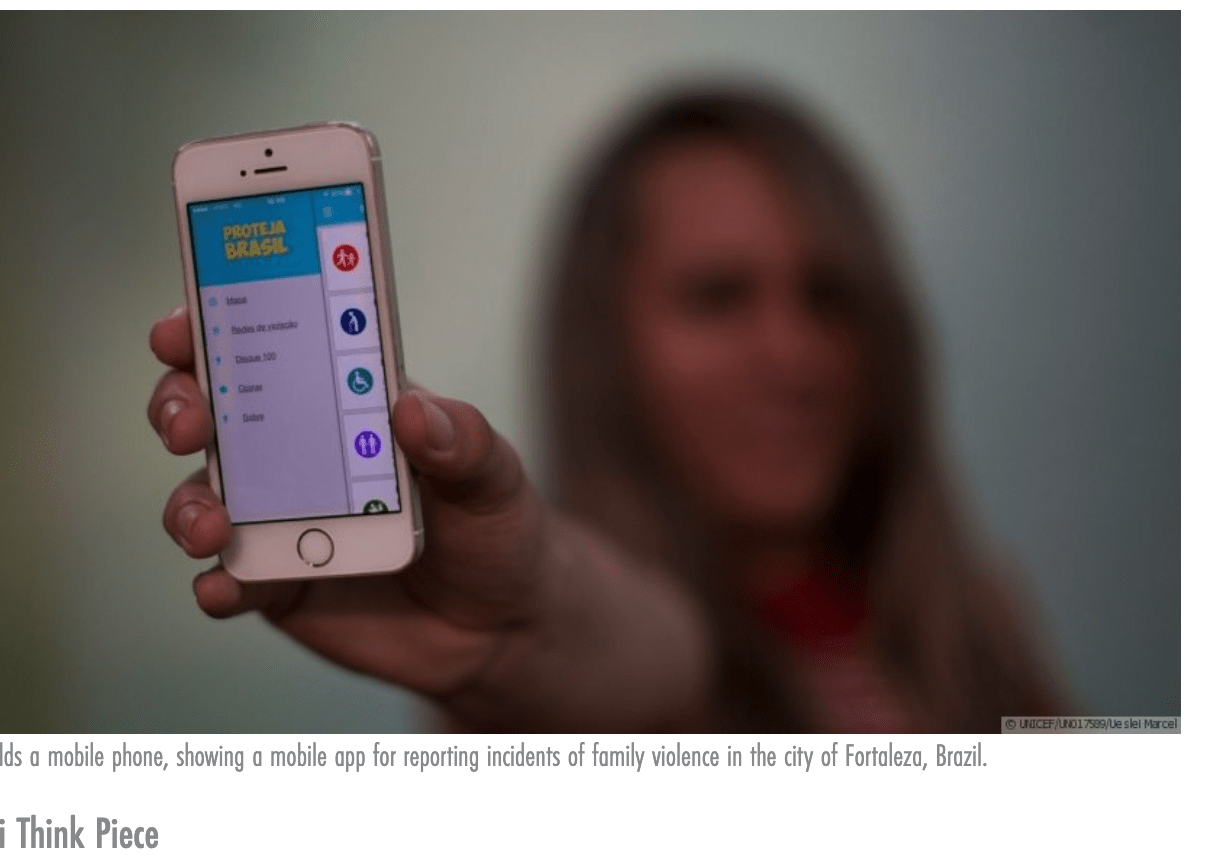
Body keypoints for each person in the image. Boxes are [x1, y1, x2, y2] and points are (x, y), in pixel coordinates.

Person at [147, 84, 1064, 733]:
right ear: (606, 345)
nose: (793, 353)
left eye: (828, 295)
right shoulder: (587, 690)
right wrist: (521, 626)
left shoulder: (978, 618)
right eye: (718, 296)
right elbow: (632, 648)